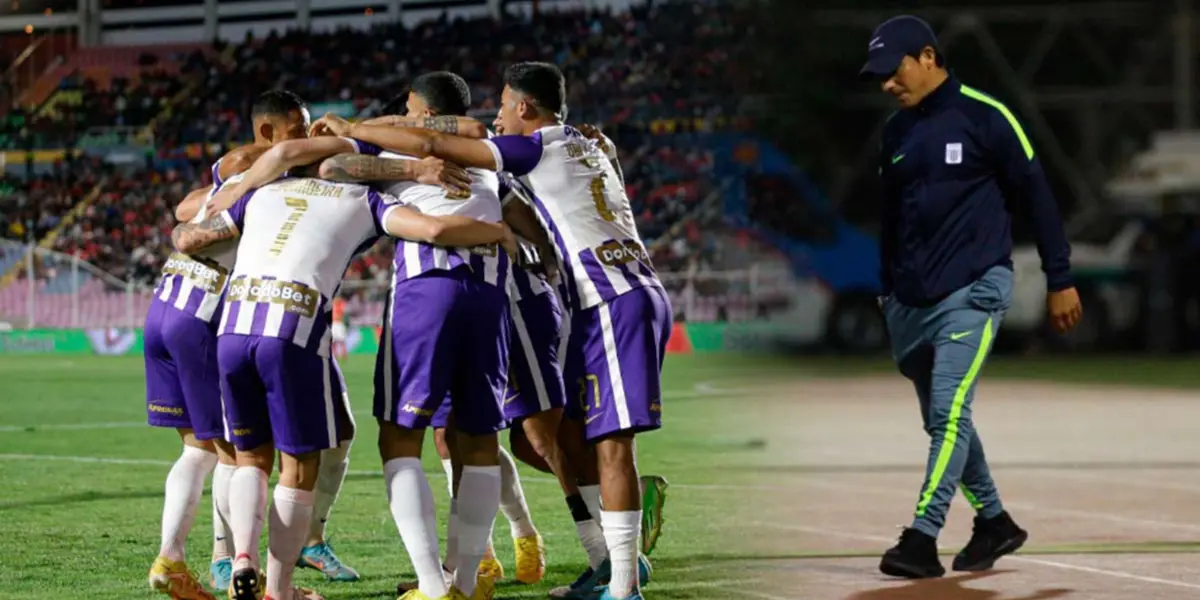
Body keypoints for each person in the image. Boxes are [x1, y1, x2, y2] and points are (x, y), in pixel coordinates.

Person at [314, 61, 672, 600]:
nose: (498, 115)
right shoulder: (579, 146)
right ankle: (573, 559)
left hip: (530, 297)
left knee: (536, 438)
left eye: (506, 105)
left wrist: (357, 129)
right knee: (511, 437)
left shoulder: (517, 149)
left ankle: (609, 570)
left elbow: (461, 140)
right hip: (548, 299)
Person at [175, 133, 509, 600]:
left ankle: (241, 558)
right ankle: (279, 589)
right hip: (293, 329)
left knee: (250, 458)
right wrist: (497, 232)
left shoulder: (262, 193)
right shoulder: (366, 199)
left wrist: (216, 198)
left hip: (233, 329)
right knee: (299, 468)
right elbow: (433, 231)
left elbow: (188, 234)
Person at [859, 15, 1083, 579]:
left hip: (975, 287)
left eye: (895, 70)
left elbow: (1039, 196)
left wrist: (1061, 278)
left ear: (929, 57)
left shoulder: (987, 116)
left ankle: (920, 539)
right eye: (880, 76)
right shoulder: (896, 133)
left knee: (949, 413)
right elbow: (890, 221)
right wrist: (886, 292)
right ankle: (995, 523)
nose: (888, 84)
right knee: (945, 419)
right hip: (909, 301)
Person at [316, 73, 549, 595]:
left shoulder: (401, 147)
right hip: (490, 294)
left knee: (400, 437)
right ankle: (467, 583)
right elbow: (522, 210)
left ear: (418, 111)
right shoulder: (486, 153)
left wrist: (402, 158)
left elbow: (335, 164)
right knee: (478, 440)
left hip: (428, 288)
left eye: (407, 109)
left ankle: (432, 585)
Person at [144, 91, 310, 600]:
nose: (305, 143)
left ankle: (175, 558)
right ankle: (237, 566)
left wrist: (187, 224)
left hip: (165, 304)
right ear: (269, 134)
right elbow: (190, 228)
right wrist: (188, 232)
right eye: (297, 132)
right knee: (239, 455)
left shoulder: (235, 169)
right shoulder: (261, 179)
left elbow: (185, 208)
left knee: (198, 450)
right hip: (201, 312)